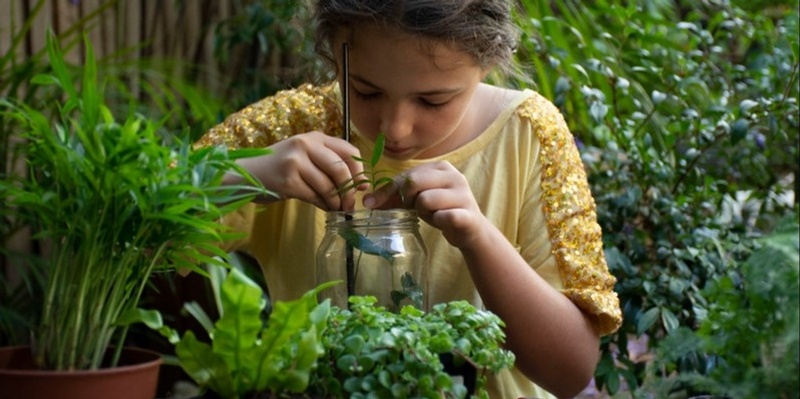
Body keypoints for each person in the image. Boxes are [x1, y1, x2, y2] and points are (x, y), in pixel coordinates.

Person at [196, 1, 622, 397]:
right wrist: (245, 175)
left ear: (489, 60)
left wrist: (479, 237)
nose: (394, 129)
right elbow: (137, 231)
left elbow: (569, 371)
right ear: (332, 49)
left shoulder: (527, 135)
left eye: (433, 100)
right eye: (365, 92)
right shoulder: (292, 129)